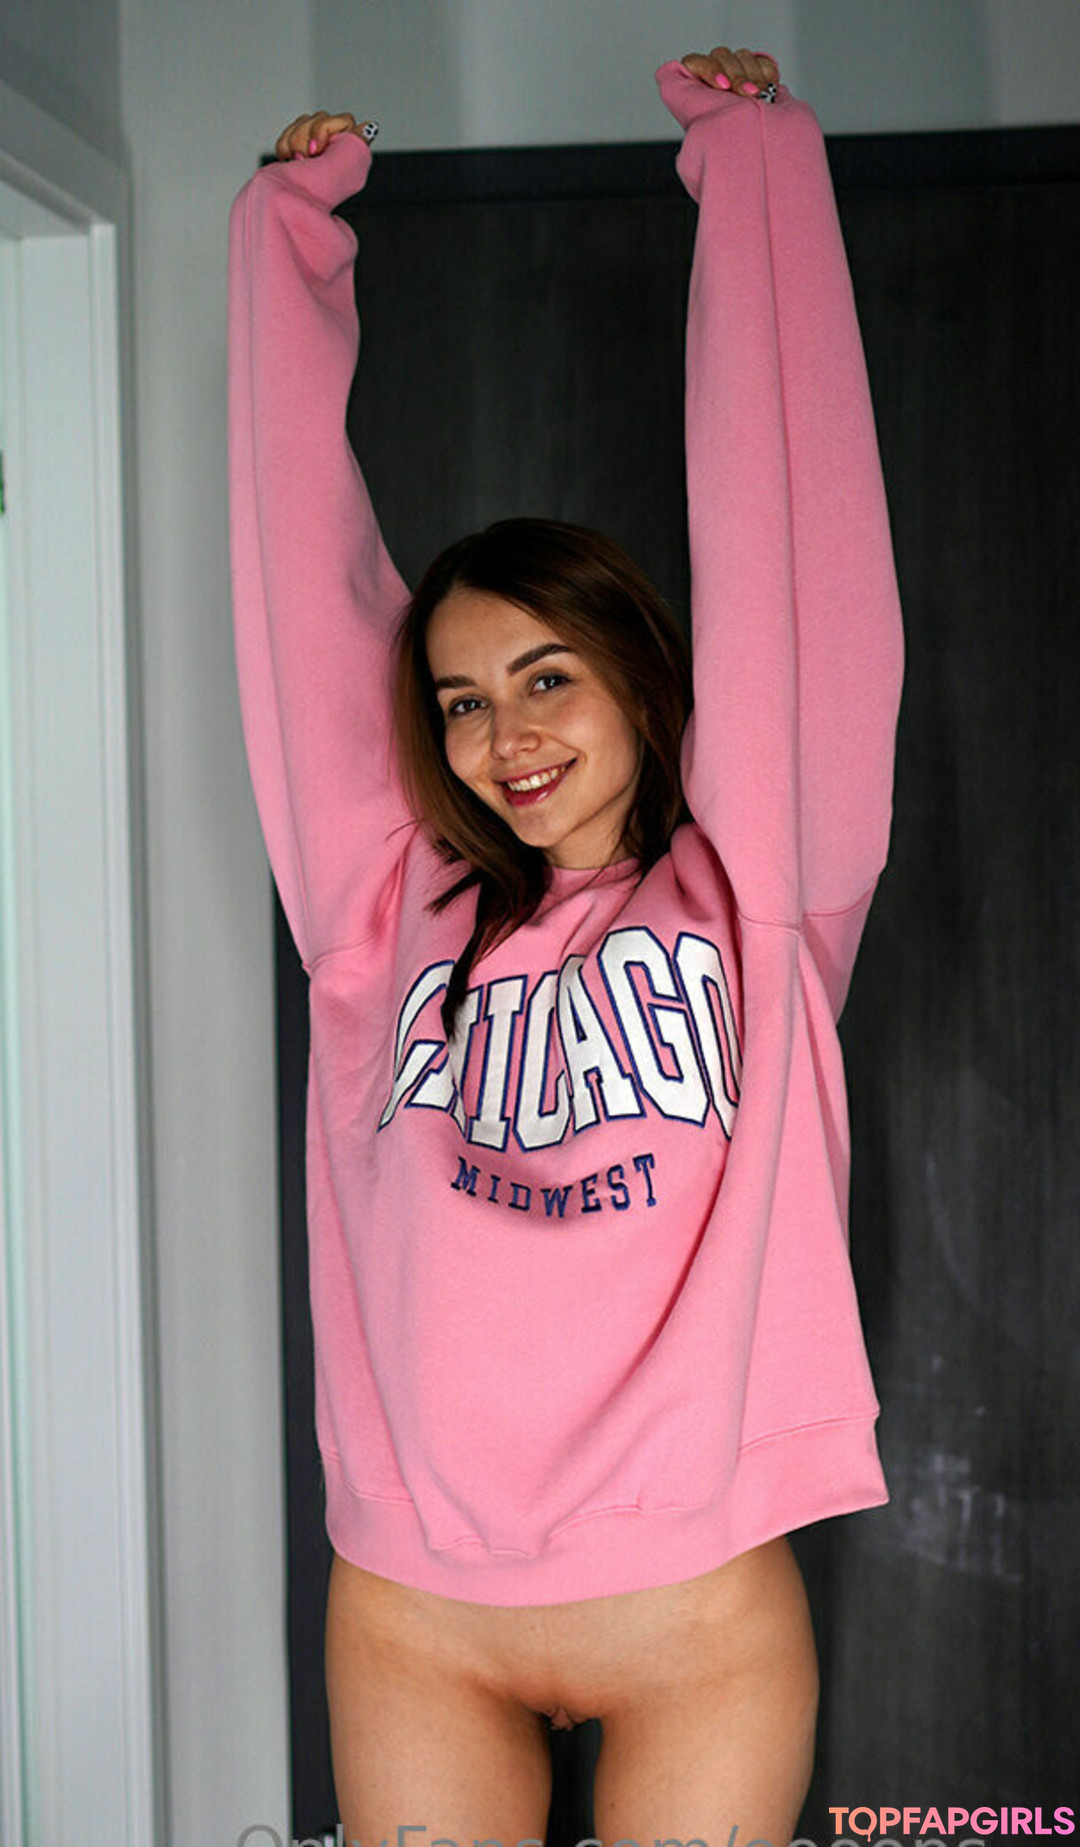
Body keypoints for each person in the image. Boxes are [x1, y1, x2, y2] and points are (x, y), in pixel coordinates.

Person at [227, 41, 903, 1844]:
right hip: (418, 1617)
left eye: (546, 678)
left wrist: (756, 179)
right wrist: (285, 253)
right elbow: (298, 601)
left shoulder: (758, 892)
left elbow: (793, 550)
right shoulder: (382, 910)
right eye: (460, 700)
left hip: (693, 1619)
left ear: (640, 678)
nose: (503, 735)